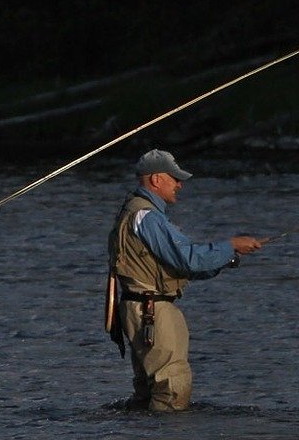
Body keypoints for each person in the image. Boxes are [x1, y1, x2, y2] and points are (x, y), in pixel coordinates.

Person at [105, 149, 262, 412]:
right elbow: (187, 259)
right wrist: (230, 245)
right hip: (152, 312)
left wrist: (227, 256)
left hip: (142, 309)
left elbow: (181, 265)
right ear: (156, 179)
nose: (179, 184)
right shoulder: (147, 217)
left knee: (148, 393)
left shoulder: (135, 211)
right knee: (172, 389)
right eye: (174, 178)